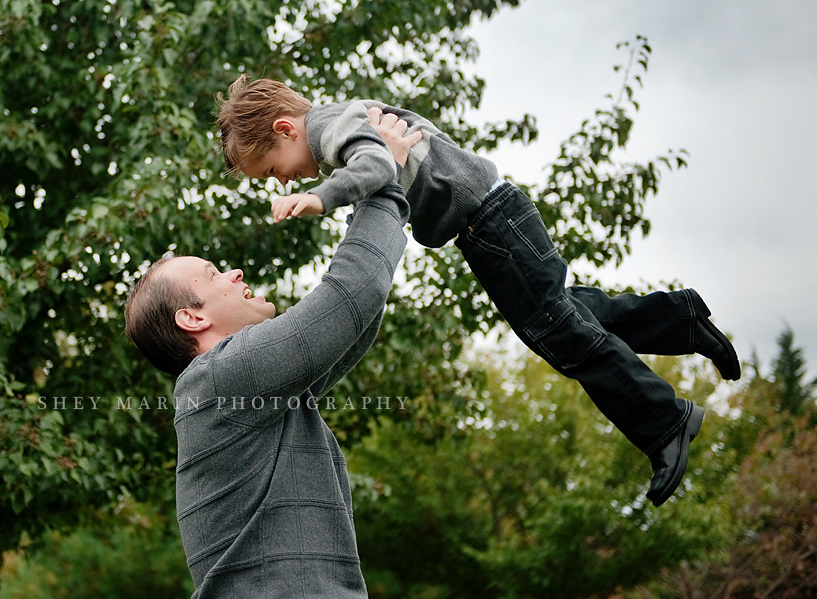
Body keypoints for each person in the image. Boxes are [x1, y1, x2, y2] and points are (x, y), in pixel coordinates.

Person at [214, 75, 742, 507]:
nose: (281, 183)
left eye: (271, 171)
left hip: (490, 222)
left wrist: (319, 199)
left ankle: (665, 420)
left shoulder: (332, 127)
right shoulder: (338, 125)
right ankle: (682, 319)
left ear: (286, 130)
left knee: (557, 333)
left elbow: (378, 165)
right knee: (569, 315)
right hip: (490, 220)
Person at [124, 113, 420, 597]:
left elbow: (353, 323)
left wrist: (377, 184)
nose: (235, 273)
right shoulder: (220, 379)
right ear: (192, 318)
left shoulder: (252, 395)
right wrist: (384, 179)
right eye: (213, 273)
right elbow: (350, 298)